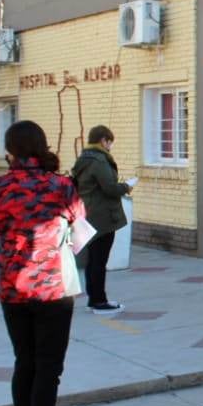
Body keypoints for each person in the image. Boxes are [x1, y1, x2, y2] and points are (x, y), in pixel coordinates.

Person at [0, 120, 86, 406]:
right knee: (48, 367)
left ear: (10, 150)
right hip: (51, 288)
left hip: (12, 288)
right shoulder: (61, 186)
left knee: (24, 362)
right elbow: (79, 224)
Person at [71, 125, 134, 315]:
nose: (110, 146)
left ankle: (94, 298)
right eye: (110, 142)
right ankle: (99, 300)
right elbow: (110, 188)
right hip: (102, 216)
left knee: (93, 260)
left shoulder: (83, 159)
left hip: (87, 213)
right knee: (100, 260)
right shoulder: (99, 160)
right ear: (104, 140)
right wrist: (126, 186)